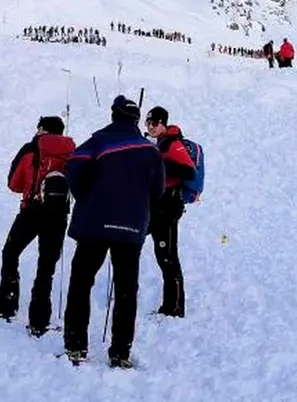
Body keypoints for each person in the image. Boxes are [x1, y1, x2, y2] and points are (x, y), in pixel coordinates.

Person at [61, 95, 165, 368]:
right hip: (131, 228)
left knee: (81, 283)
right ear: (135, 119)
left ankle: (75, 346)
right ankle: (120, 352)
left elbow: (73, 166)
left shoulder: (98, 141)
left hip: (93, 224)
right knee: (126, 289)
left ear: (113, 115)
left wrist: (84, 195)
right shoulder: (151, 151)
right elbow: (158, 191)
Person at [0, 116, 75, 337]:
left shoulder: (30, 148)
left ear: (41, 129)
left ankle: (7, 304)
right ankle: (39, 320)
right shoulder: (71, 151)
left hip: (31, 211)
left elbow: (14, 184)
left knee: (10, 252)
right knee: (46, 267)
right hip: (58, 216)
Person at [144, 106, 196, 318]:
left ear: (163, 123)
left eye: (154, 122)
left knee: (167, 256)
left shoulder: (173, 143)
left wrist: (160, 162)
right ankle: (170, 305)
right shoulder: (160, 143)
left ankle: (174, 307)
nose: (150, 126)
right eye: (147, 122)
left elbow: (188, 171)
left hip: (168, 208)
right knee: (157, 252)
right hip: (155, 206)